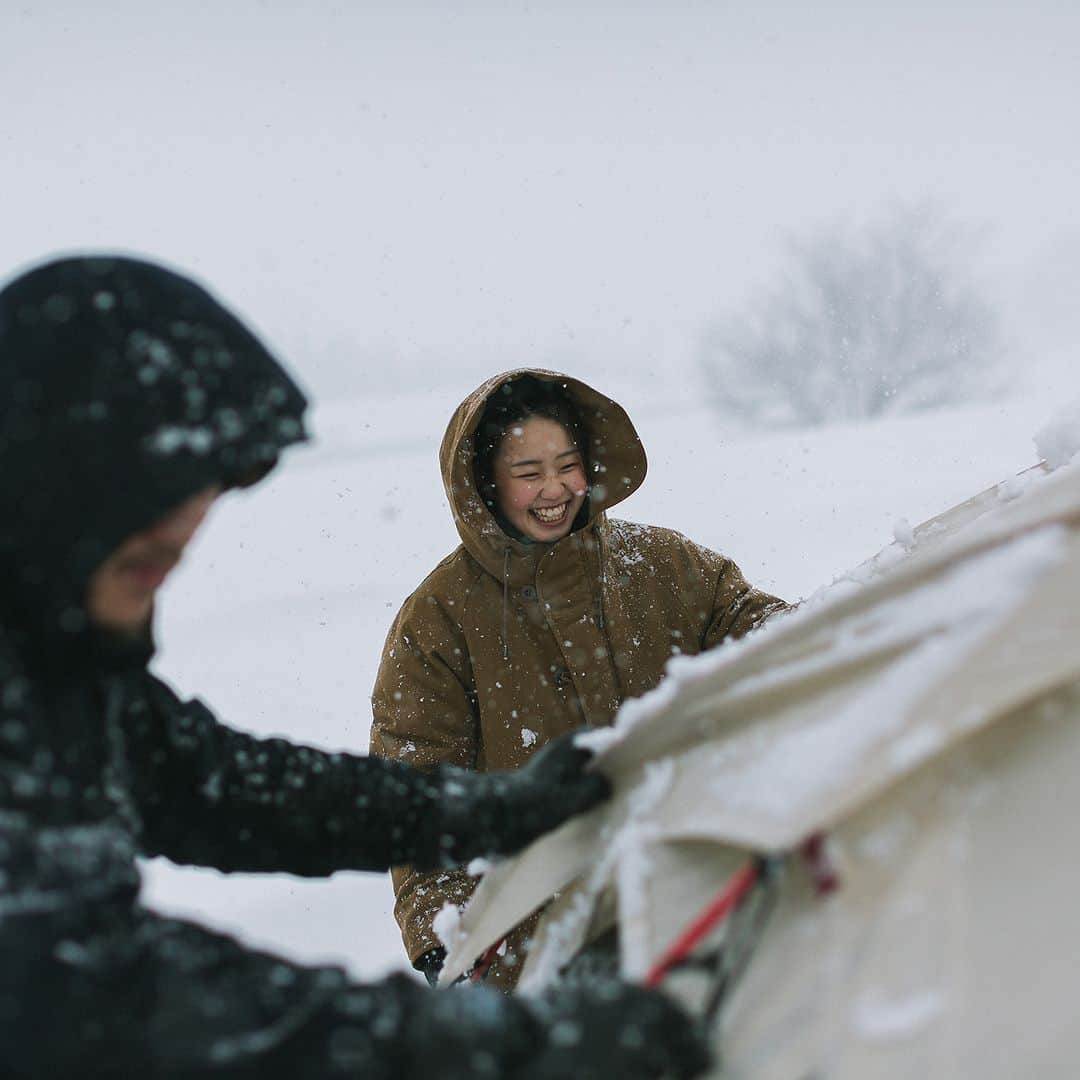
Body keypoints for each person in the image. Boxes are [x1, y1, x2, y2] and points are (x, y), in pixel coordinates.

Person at [0, 256, 709, 1080]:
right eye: (151, 507)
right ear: (47, 476)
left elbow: (222, 785)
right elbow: (84, 994)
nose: (186, 534)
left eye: (204, 500)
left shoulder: (52, 667)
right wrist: (488, 1044)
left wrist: (485, 809)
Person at [371, 370, 789, 988]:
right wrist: (445, 933)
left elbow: (766, 637)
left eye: (567, 464)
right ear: (485, 482)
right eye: (528, 472)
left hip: (696, 899)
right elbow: (417, 786)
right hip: (538, 949)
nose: (555, 489)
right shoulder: (440, 619)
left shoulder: (662, 564)